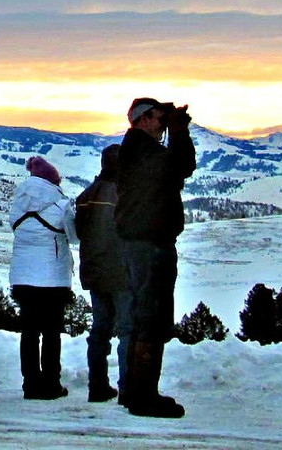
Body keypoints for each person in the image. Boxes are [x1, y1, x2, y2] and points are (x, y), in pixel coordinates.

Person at [114, 97, 195, 418]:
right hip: (149, 245)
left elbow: (174, 172)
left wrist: (175, 132)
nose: (163, 125)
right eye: (160, 119)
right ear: (144, 119)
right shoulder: (140, 150)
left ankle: (135, 391)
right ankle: (143, 394)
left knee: (144, 316)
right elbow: (182, 166)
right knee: (151, 316)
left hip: (144, 243)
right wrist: (179, 133)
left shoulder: (137, 151)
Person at [9, 155, 73, 399]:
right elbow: (74, 236)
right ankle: (51, 383)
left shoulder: (18, 205)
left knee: (29, 332)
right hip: (53, 278)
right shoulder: (62, 205)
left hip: (23, 277)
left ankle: (30, 384)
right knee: (51, 332)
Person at [75, 143, 131, 403]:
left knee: (100, 331)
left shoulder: (86, 196)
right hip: (123, 270)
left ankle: (97, 386)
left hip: (95, 270)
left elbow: (78, 232)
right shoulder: (128, 194)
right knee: (128, 330)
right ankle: (128, 387)